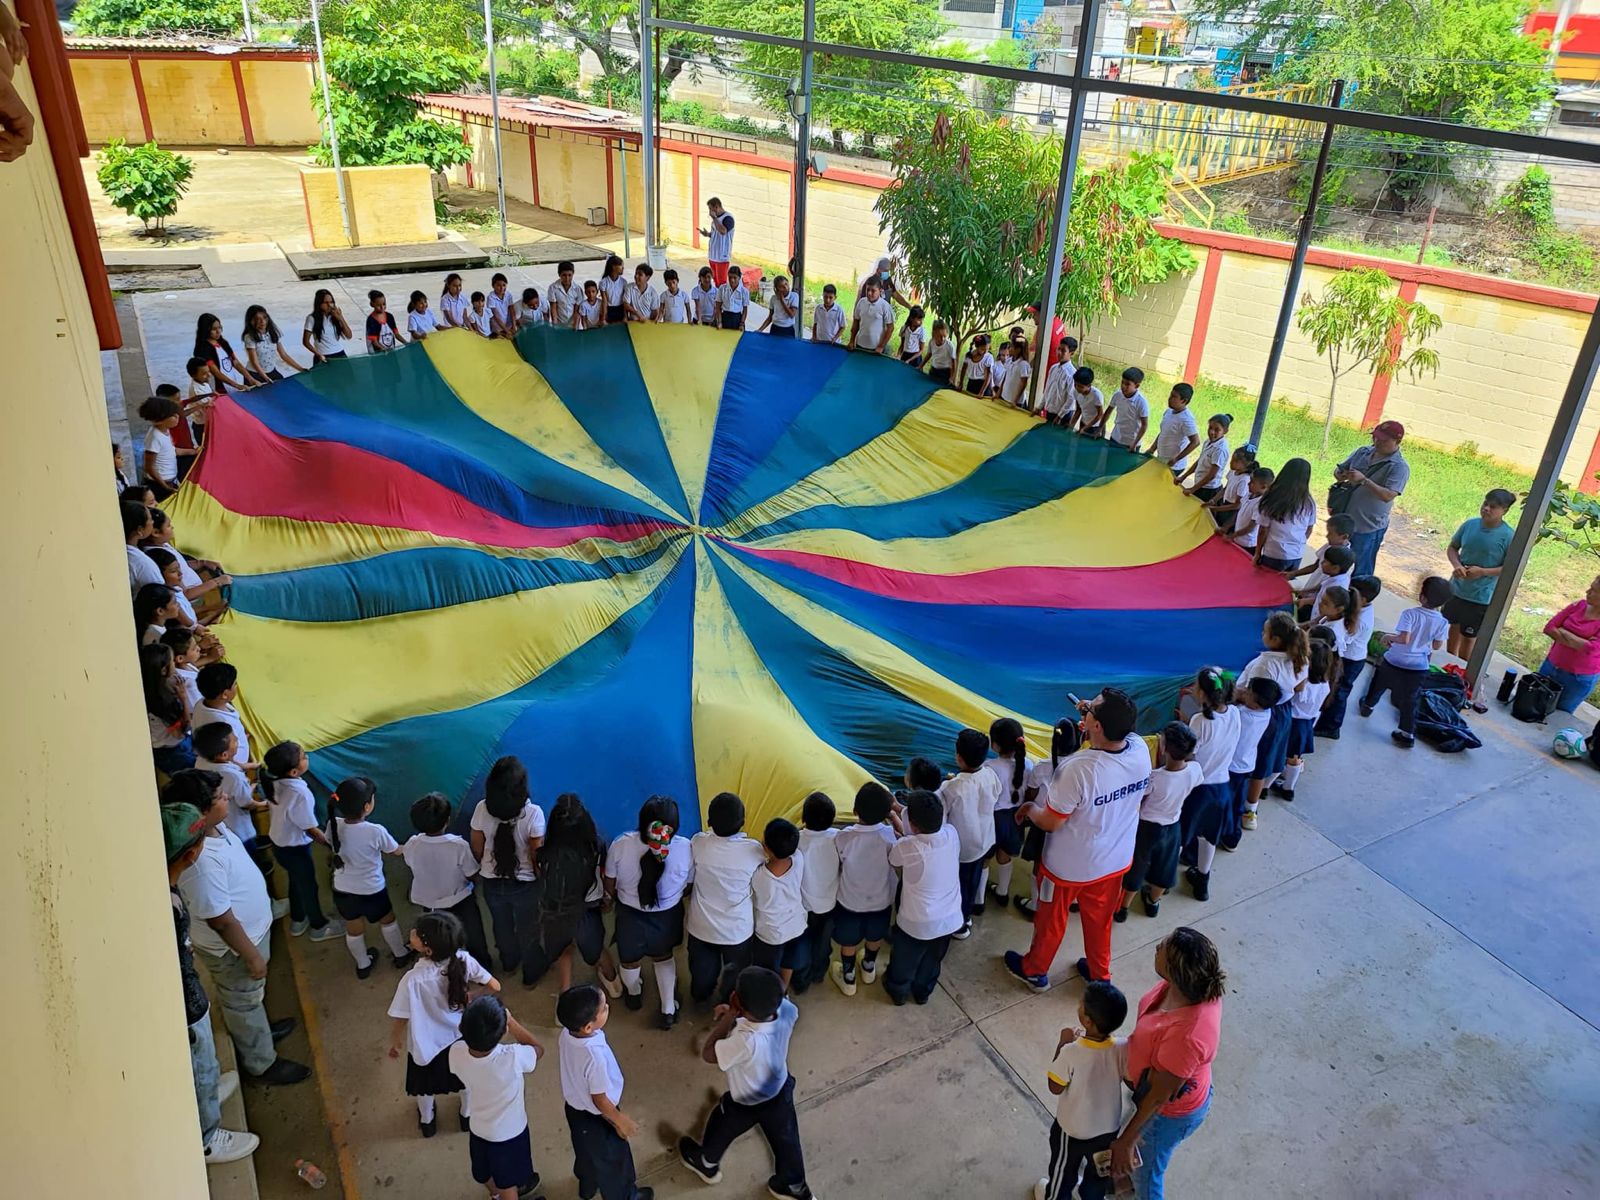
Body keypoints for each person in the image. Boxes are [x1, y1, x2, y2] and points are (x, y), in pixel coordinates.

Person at [166, 770, 312, 1086]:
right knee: (241, 1000)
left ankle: (258, 1028)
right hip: (234, 948)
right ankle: (262, 1063)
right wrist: (251, 956)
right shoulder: (199, 864)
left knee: (249, 997)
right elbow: (221, 920)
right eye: (220, 797)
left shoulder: (213, 829)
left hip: (250, 936)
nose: (228, 797)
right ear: (200, 812)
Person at [1005, 689, 1149, 992]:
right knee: (1100, 923)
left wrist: (1030, 810)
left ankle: (1035, 970)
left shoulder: (1076, 769)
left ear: (1095, 726)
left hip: (1067, 868)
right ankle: (1100, 975)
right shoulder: (1139, 750)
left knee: (1050, 921)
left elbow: (1051, 822)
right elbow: (1120, 732)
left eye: (1092, 710)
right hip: (1114, 861)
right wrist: (1093, 712)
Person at [161, 801, 259, 1165]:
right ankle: (207, 1138)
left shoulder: (164, 883)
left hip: (188, 990)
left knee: (205, 1062)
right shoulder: (168, 903)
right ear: (191, 854)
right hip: (185, 1002)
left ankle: (210, 1091)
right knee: (199, 1057)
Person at [678, 967, 815, 1200]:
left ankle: (706, 1162)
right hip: (779, 1089)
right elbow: (760, 1017)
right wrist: (741, 1014)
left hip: (746, 1100)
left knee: (721, 1124)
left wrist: (730, 1017)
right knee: (786, 1138)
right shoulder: (787, 1010)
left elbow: (709, 1054)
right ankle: (793, 1184)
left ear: (737, 1002)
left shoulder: (746, 1040)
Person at [1108, 929, 1226, 1200]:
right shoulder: (1181, 989)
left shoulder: (1189, 1034)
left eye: (1163, 948)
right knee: (1131, 1164)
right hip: (1152, 1098)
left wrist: (1126, 1141)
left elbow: (1159, 1097)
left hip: (1167, 1116)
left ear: (1176, 971)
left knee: (1146, 1177)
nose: (1157, 946)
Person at [388, 911, 498, 1137]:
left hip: (425, 1042)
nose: (412, 933)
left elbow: (401, 1016)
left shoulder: (412, 980)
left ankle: (427, 1122)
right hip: (461, 1036)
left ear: (427, 949)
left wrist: (395, 1041)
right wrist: (473, 996)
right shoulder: (464, 960)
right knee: (465, 1079)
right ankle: (466, 1117)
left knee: (425, 1086)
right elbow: (495, 986)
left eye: (417, 934)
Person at [556, 985, 652, 1200]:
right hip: (600, 1115)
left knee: (585, 1152)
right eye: (604, 1009)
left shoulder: (567, 1032)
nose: (608, 1008)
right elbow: (599, 1099)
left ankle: (588, 1185)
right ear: (588, 1026)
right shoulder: (594, 1057)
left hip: (575, 1109)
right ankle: (625, 1196)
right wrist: (619, 1119)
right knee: (614, 1161)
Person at [1038, 980, 1130, 1200]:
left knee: (1063, 1171)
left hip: (1072, 1131)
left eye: (1080, 1005)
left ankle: (1055, 1197)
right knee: (1098, 1174)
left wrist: (1063, 1042)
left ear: (1086, 1020)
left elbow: (1055, 1086)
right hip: (1108, 1130)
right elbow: (1130, 1078)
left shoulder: (1072, 1051)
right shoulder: (1123, 1047)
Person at [605, 795, 692, 1026]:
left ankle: (633, 995)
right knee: (663, 958)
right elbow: (688, 886)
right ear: (672, 827)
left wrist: (611, 899)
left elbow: (609, 882)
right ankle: (667, 1009)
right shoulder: (685, 848)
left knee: (629, 961)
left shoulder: (621, 844)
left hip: (630, 917)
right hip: (667, 916)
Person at [449, 996, 545, 1200]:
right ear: (503, 1032)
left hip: (479, 1129)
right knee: (508, 1182)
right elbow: (538, 1049)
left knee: (483, 1172)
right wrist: (512, 1021)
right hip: (510, 1134)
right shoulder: (512, 1057)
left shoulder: (455, 1052)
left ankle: (496, 1195)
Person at [527, 793, 622, 998]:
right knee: (596, 950)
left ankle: (565, 994)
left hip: (556, 912)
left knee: (563, 950)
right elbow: (605, 876)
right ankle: (613, 981)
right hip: (587, 912)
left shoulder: (545, 854)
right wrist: (607, 898)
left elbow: (541, 876)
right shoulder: (596, 847)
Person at [686, 791, 767, 1007]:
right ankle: (729, 1001)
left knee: (701, 970)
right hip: (737, 931)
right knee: (736, 971)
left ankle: (701, 995)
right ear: (743, 822)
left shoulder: (699, 843)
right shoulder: (753, 850)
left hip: (700, 927)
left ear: (709, 822)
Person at [883, 789, 963, 1006]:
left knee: (904, 961)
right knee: (932, 961)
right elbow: (916, 838)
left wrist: (892, 818)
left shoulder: (908, 847)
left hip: (916, 924)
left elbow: (895, 858)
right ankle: (923, 993)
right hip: (950, 919)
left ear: (914, 826)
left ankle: (898, 991)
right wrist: (898, 812)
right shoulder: (951, 833)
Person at [327, 775, 411, 977]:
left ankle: (363, 965)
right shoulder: (375, 831)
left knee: (353, 927)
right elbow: (394, 850)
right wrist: (411, 845)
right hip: (372, 890)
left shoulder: (333, 824)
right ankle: (400, 953)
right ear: (367, 807)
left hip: (342, 888)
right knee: (388, 920)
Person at [471, 756, 545, 983]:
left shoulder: (482, 809)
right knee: (529, 928)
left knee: (501, 925)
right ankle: (531, 973)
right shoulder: (533, 814)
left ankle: (509, 962)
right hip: (525, 884)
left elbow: (477, 847)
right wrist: (541, 880)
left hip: (492, 882)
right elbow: (536, 856)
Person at [1117, 722, 1201, 923]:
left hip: (1146, 827)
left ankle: (1123, 908)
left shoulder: (1154, 778)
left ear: (1163, 749)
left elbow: (1141, 798)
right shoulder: (1195, 770)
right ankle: (1153, 902)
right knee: (1166, 865)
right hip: (1173, 825)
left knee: (1138, 865)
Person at [258, 741, 339, 940]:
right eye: (303, 757)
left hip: (280, 845)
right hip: (296, 849)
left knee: (297, 881)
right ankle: (319, 926)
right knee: (309, 887)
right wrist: (331, 845)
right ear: (294, 771)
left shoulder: (274, 781)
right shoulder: (299, 793)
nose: (307, 758)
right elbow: (310, 829)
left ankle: (298, 919)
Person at [1174, 668, 1243, 903]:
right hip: (1222, 788)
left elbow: (1190, 753)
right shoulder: (1234, 713)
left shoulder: (1199, 720)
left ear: (1202, 693)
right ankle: (1202, 881)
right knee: (1208, 837)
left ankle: (1163, 881)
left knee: (1182, 834)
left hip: (1198, 789)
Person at [1360, 575, 1452, 746]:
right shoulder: (1443, 622)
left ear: (1422, 597)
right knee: (1410, 700)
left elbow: (1404, 638)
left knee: (1379, 683)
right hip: (1418, 666)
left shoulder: (1410, 614)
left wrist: (1388, 637)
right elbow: (1437, 645)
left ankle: (1368, 705)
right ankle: (1407, 734)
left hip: (1396, 659)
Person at [404, 791, 492, 968]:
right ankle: (482, 965)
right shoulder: (458, 846)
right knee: (473, 934)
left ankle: (446, 967)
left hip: (430, 902)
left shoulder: (412, 844)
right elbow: (471, 872)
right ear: (447, 820)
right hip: (460, 898)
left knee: (438, 938)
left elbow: (411, 864)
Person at [1237, 611, 1310, 819]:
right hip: (1281, 712)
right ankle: (1253, 803)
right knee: (1265, 759)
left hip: (1257, 713)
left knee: (1250, 758)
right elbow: (1299, 688)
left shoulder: (1265, 665)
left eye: (1265, 632)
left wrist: (1232, 695)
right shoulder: (1300, 658)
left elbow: (1252, 697)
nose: (1262, 634)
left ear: (1275, 639)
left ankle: (1245, 805)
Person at [830, 781, 897, 997]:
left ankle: (848, 976)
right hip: (881, 902)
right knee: (875, 937)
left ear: (855, 811)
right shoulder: (890, 836)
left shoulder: (843, 837)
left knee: (848, 942)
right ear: (887, 813)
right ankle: (868, 967)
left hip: (850, 903)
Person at [937, 727, 1001, 938]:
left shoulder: (951, 787)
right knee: (972, 879)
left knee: (959, 885)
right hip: (984, 839)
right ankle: (969, 914)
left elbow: (942, 813)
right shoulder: (990, 774)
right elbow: (995, 792)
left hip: (962, 848)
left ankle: (960, 924)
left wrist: (949, 782)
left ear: (959, 757)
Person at [1445, 488, 1517, 661]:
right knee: (1451, 628)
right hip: (1456, 590)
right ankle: (1448, 664)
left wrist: (1482, 572)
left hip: (1481, 597)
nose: (1487, 509)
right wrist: (1457, 565)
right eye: (1485, 504)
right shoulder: (1470, 525)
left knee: (1469, 638)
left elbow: (1509, 568)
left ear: (1504, 511)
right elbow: (1453, 547)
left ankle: (1462, 669)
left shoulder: (1508, 536)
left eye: (1493, 507)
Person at [1332, 420, 1411, 577]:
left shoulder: (1399, 467)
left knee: (1360, 570)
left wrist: (1364, 480)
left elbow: (1388, 495)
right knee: (1335, 563)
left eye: (1384, 440)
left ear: (1398, 441)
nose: (1377, 442)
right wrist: (1340, 474)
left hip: (1368, 526)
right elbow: (1339, 470)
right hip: (1345, 518)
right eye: (1375, 437)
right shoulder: (1362, 452)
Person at [1314, 575, 1381, 739]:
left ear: (1363, 599)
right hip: (1346, 656)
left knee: (1339, 693)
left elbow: (1342, 641)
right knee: (1335, 691)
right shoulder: (1355, 611)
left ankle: (1332, 727)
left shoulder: (1360, 620)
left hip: (1351, 660)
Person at [1273, 636, 1337, 800]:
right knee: (1295, 757)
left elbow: (1288, 698)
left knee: (1279, 754)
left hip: (1291, 722)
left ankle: (1267, 784)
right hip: (1307, 724)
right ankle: (1289, 788)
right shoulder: (1325, 684)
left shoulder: (1303, 685)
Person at [751, 818, 808, 990]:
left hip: (770, 934)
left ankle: (772, 994)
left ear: (766, 848)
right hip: (796, 926)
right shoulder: (798, 858)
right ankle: (784, 989)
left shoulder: (759, 876)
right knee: (788, 961)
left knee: (767, 968)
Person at [984, 717, 1032, 909]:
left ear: (994, 745)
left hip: (994, 819)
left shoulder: (989, 767)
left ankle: (978, 902)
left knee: (985, 859)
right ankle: (1002, 893)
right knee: (1005, 856)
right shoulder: (1028, 764)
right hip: (1016, 819)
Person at [793, 793, 838, 995]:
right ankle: (818, 973)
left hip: (802, 907)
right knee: (822, 943)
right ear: (832, 819)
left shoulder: (797, 840)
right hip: (829, 906)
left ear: (803, 818)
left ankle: (800, 981)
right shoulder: (838, 838)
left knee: (801, 943)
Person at [193, 721, 263, 849]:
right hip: (239, 828)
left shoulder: (201, 761)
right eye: (235, 740)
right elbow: (246, 803)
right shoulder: (234, 777)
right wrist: (264, 804)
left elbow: (229, 766)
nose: (238, 740)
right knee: (248, 850)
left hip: (223, 821)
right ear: (223, 754)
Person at [1537, 573, 1600, 711]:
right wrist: (1580, 642)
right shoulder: (1578, 605)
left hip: (1577, 679)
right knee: (1533, 702)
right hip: (1551, 666)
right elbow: (1549, 628)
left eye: (1594, 590)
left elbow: (1592, 649)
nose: (1587, 592)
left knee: (1559, 716)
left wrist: (1562, 631)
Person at [1254, 457, 1318, 572]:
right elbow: (1309, 528)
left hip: (1274, 552)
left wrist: (1258, 553)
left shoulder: (1272, 497)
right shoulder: (1309, 502)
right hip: (1296, 555)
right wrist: (1298, 543)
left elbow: (1263, 529)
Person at [192, 663, 252, 766]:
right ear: (224, 694)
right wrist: (242, 766)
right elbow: (222, 757)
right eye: (235, 684)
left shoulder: (202, 703)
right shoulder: (220, 723)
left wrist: (239, 737)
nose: (237, 686)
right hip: (234, 763)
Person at [138, 395, 193, 498]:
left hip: (170, 480)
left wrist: (193, 451)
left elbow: (172, 450)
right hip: (160, 486)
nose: (177, 417)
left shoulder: (165, 431)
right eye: (173, 415)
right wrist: (165, 487)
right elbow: (149, 467)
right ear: (160, 420)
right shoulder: (154, 437)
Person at [242, 304, 307, 380]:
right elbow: (254, 362)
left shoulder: (273, 333)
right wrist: (266, 378)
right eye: (257, 319)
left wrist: (300, 369)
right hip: (254, 374)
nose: (262, 321)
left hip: (271, 371)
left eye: (264, 317)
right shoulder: (250, 337)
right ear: (251, 321)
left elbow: (284, 355)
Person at [193, 313, 254, 392]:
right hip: (218, 388)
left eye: (219, 327)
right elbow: (216, 372)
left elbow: (235, 362)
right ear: (205, 330)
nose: (218, 331)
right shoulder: (202, 349)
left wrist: (250, 378)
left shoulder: (223, 343)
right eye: (214, 329)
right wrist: (237, 385)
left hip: (232, 384)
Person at [1223, 466, 1274, 556]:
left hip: (1247, 544)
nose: (1248, 484)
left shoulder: (1260, 505)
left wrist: (1232, 535)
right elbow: (1239, 512)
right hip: (1238, 539)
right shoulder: (1248, 494)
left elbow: (1250, 527)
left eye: (1252, 482)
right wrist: (1227, 526)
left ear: (1263, 486)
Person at [1205, 445, 1257, 531]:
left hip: (1231, 513)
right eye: (1232, 459)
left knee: (1222, 530)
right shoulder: (1233, 472)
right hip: (1224, 505)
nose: (1231, 462)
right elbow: (1226, 488)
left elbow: (1237, 505)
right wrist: (1214, 500)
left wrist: (1216, 509)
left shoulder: (1244, 480)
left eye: (1235, 461)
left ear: (1246, 464)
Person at [1179, 414, 1231, 500]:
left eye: (1217, 430)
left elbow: (1211, 475)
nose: (1212, 432)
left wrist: (1193, 489)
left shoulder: (1220, 449)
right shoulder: (1208, 441)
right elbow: (1200, 461)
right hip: (1200, 485)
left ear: (1225, 431)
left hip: (1209, 490)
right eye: (1210, 428)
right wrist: (1184, 476)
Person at [1151, 384, 1199, 471]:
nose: (1169, 398)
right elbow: (1163, 432)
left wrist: (1176, 458)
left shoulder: (1187, 419)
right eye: (1170, 395)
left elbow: (1195, 442)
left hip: (1174, 466)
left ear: (1184, 401)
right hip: (1161, 460)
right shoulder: (1168, 412)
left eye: (1174, 397)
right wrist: (1152, 448)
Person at [302, 288, 351, 364]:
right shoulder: (312, 318)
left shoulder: (335, 316)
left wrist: (340, 318)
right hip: (323, 356)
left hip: (340, 354)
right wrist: (318, 354)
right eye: (326, 302)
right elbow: (306, 342)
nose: (329, 305)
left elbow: (349, 336)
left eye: (331, 302)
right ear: (319, 304)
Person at [848, 277, 894, 354]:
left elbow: (890, 328)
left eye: (873, 291)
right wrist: (852, 341)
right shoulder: (861, 302)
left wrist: (881, 346)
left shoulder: (885, 306)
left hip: (876, 349)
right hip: (860, 345)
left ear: (880, 291)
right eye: (868, 290)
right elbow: (856, 323)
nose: (869, 293)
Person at [1107, 368, 1150, 450]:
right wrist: (1100, 428)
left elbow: (1144, 425)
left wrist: (1135, 443)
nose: (1123, 386)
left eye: (1127, 384)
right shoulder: (1118, 395)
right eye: (1122, 382)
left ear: (1137, 386)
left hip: (1131, 443)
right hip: (1115, 438)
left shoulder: (1141, 402)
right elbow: (1108, 412)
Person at [700, 198, 736, 285]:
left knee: (721, 283)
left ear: (716, 207)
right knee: (715, 281)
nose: (709, 212)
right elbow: (716, 234)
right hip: (713, 255)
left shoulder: (728, 218)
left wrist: (714, 217)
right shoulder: (715, 220)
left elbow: (723, 231)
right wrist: (708, 234)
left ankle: (722, 298)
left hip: (722, 257)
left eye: (710, 209)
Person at [365, 290, 407, 354]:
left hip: (391, 351)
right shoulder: (371, 320)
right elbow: (374, 341)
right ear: (372, 304)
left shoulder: (390, 317)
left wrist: (406, 343)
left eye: (384, 304)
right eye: (379, 305)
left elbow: (396, 334)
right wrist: (383, 349)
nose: (382, 307)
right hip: (378, 354)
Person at [714, 266, 752, 332]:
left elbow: (745, 310)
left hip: (737, 319)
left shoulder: (744, 291)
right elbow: (718, 307)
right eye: (730, 277)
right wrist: (719, 321)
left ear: (739, 278)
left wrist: (742, 323)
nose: (732, 280)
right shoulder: (722, 288)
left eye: (735, 277)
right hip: (724, 318)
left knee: (736, 340)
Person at [1070, 367, 1105, 435]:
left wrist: (1085, 428)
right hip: (1083, 422)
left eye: (1080, 386)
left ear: (1089, 385)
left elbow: (1100, 415)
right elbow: (1078, 410)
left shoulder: (1096, 395)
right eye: (1075, 385)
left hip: (1095, 426)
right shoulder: (1076, 392)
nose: (1077, 388)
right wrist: (1071, 425)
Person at [1001, 338, 1033, 409]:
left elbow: (1023, 383)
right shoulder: (1009, 361)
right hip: (1004, 397)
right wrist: (999, 393)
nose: (1009, 349)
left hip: (1015, 402)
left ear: (1018, 350)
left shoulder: (1023, 364)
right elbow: (1005, 377)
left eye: (1011, 347)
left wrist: (1015, 400)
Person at [487, 273, 516, 338]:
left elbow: (512, 310)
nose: (502, 288)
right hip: (497, 326)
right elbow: (496, 316)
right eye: (498, 285)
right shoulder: (491, 297)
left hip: (508, 324)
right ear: (493, 286)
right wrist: (506, 331)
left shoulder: (508, 295)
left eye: (504, 285)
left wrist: (514, 326)